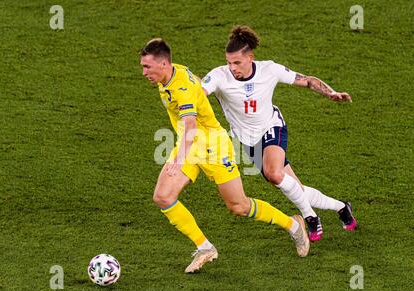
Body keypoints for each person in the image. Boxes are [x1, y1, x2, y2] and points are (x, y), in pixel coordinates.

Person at [140, 38, 310, 273]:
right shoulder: (172, 72)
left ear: (163, 64)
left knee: (239, 206)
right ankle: (205, 247)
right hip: (190, 145)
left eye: (147, 67)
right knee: (163, 196)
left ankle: (293, 225)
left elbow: (190, 126)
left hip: (212, 147)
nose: (143, 72)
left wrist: (178, 160)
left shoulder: (181, 89)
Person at [201, 26, 357, 242]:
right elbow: (200, 92)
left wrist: (331, 93)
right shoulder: (219, 76)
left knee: (274, 173)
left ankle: (310, 217)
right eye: (229, 62)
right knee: (294, 186)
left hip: (272, 127)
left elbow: (308, 80)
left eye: (237, 62)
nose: (232, 68)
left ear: (250, 58)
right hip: (248, 140)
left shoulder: (269, 70)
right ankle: (341, 207)